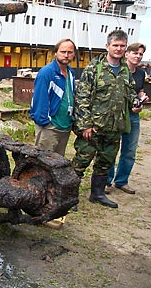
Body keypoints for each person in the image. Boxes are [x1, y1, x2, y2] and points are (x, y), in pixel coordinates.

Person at [72, 30, 137, 209]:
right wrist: (85, 125)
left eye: (122, 46)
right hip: (93, 128)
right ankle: (69, 198)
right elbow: (82, 97)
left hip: (114, 128)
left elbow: (130, 92)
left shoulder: (125, 70)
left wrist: (136, 103)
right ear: (107, 46)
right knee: (80, 163)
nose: (119, 49)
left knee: (105, 163)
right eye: (115, 45)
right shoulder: (95, 68)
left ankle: (97, 194)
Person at [106, 43, 149, 194]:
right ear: (127, 54)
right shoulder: (120, 70)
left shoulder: (141, 73)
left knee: (129, 150)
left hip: (133, 115)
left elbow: (140, 91)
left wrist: (142, 100)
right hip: (117, 114)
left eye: (141, 54)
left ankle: (122, 181)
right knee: (111, 148)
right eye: (135, 53)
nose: (138, 56)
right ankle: (107, 181)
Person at [30, 38, 76, 156]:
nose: (66, 55)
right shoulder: (47, 72)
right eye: (63, 52)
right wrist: (45, 123)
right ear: (56, 53)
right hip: (50, 128)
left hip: (64, 127)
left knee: (58, 164)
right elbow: (39, 100)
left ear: (74, 54)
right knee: (43, 163)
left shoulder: (70, 73)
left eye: (70, 52)